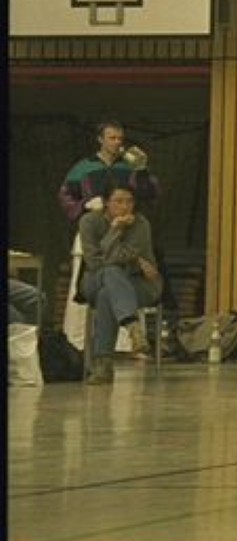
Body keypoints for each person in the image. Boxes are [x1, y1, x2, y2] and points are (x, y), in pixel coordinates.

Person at [57, 121, 160, 349]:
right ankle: (78, 343)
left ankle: (124, 343)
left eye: (120, 139)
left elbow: (150, 194)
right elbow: (65, 195)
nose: (117, 143)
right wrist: (84, 206)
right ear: (100, 140)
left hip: (127, 232)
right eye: (112, 138)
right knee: (96, 277)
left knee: (119, 280)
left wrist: (142, 170)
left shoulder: (130, 166)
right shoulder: (83, 167)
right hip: (94, 231)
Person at [78, 185, 162, 385]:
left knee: (107, 294)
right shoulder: (89, 222)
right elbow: (93, 262)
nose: (125, 207)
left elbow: (128, 254)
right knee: (110, 273)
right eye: (119, 201)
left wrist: (126, 258)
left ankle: (103, 365)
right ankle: (132, 325)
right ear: (106, 202)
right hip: (94, 280)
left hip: (138, 283)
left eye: (129, 201)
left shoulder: (140, 223)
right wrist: (115, 230)